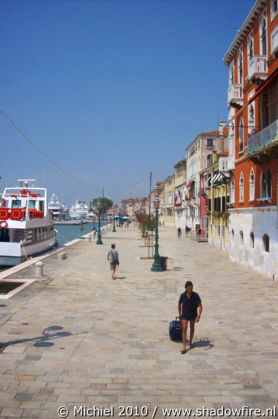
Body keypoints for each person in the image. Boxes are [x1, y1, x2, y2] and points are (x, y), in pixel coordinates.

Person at [178, 281, 202, 354]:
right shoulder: (183, 295)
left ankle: (191, 341)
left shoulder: (195, 295)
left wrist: (198, 316)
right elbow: (179, 304)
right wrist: (179, 313)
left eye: (191, 288)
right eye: (189, 288)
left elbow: (200, 306)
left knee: (192, 327)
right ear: (186, 288)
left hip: (193, 313)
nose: (190, 290)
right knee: (184, 328)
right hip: (185, 313)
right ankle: (184, 346)